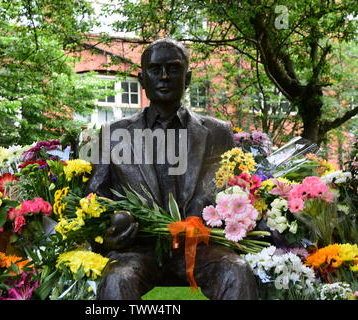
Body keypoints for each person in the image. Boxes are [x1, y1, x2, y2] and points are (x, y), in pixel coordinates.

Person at [85, 38, 259, 300]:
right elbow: (93, 200)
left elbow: (230, 195)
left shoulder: (217, 132)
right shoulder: (114, 134)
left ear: (187, 78)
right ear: (143, 80)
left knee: (236, 270)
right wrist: (106, 238)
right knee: (117, 279)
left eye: (173, 68)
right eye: (155, 69)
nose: (164, 76)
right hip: (138, 248)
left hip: (199, 247)